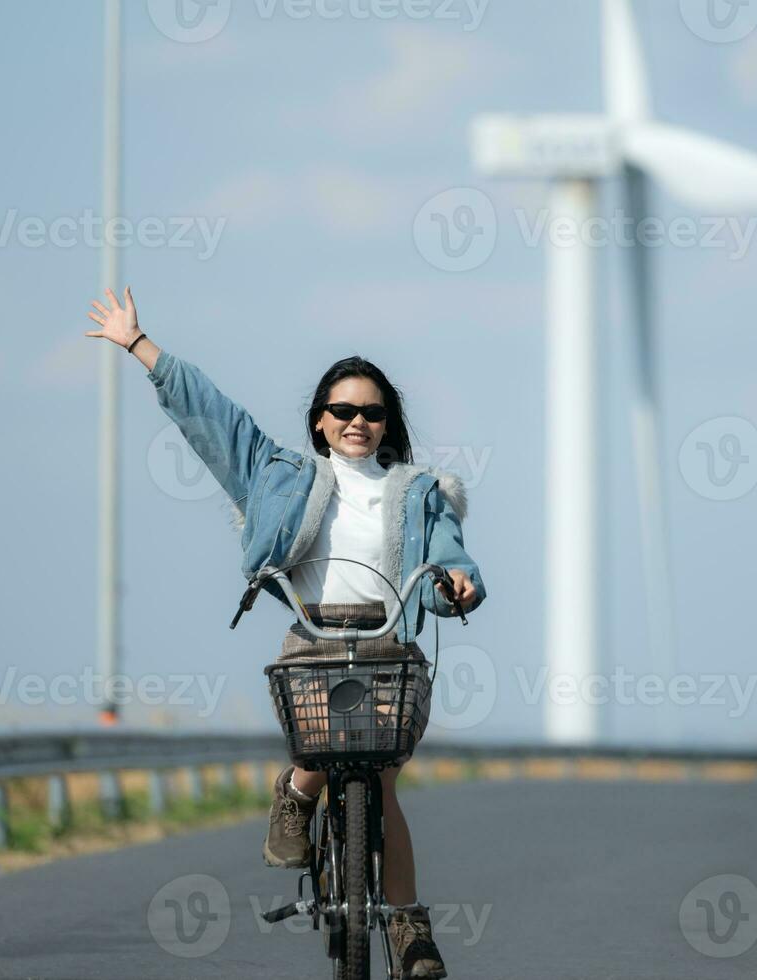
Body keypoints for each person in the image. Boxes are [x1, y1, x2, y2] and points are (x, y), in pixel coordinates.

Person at [85, 287, 484, 980]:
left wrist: (459, 583)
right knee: (322, 741)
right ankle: (298, 792)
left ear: (387, 423)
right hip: (315, 636)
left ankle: (409, 932)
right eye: (343, 410)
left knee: (382, 784)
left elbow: (448, 555)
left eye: (371, 411)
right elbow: (216, 419)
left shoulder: (420, 489)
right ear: (320, 421)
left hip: (388, 641)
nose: (357, 421)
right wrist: (141, 348)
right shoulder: (282, 475)